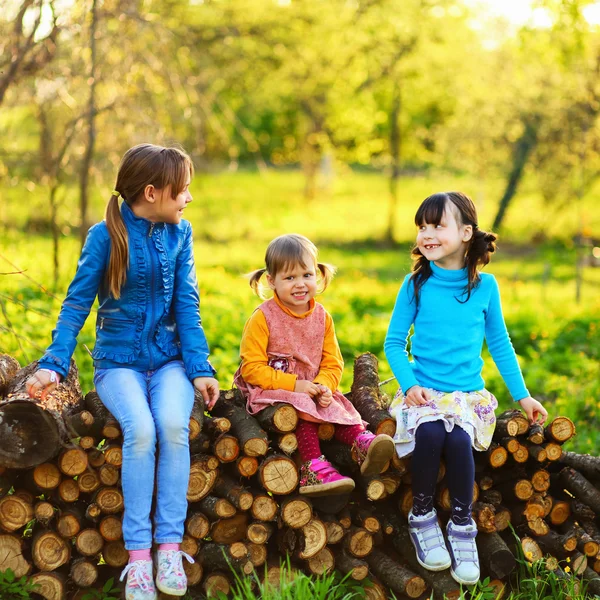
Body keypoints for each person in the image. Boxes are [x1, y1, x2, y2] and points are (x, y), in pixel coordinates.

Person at [26, 143, 219, 600]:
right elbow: (76, 304)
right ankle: (137, 559)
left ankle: (168, 547)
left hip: (170, 361)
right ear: (151, 192)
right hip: (119, 365)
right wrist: (54, 362)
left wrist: (199, 367)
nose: (188, 199)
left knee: (173, 426)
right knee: (142, 431)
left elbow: (187, 306)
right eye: (182, 190)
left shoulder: (180, 234)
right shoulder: (104, 236)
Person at [384, 191, 547, 586]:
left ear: (465, 232)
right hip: (424, 390)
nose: (427, 234)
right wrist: (409, 386)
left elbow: (501, 344)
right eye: (422, 226)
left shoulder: (485, 287)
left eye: (437, 225)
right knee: (430, 431)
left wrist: (522, 395)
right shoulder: (416, 283)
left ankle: (462, 525)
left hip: (466, 395)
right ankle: (421, 514)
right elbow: (393, 342)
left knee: (458, 441)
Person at [234, 233, 394, 496]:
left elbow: (332, 362)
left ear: (317, 275)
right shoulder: (263, 317)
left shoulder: (322, 317)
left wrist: (323, 385)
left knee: (335, 403)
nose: (300, 284)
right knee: (303, 406)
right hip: (271, 387)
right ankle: (312, 468)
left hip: (310, 385)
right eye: (289, 278)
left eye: (306, 275)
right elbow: (252, 368)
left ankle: (361, 442)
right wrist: (295, 385)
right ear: (272, 281)